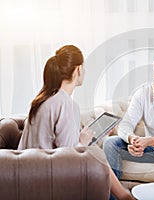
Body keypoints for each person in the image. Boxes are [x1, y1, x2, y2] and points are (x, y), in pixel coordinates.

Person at [18, 45, 134, 200]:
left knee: (94, 151)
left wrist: (83, 139)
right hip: (47, 176)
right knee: (96, 155)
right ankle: (124, 196)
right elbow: (67, 157)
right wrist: (83, 142)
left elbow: (53, 144)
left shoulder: (41, 100)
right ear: (78, 69)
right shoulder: (65, 103)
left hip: (26, 173)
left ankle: (123, 196)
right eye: (84, 67)